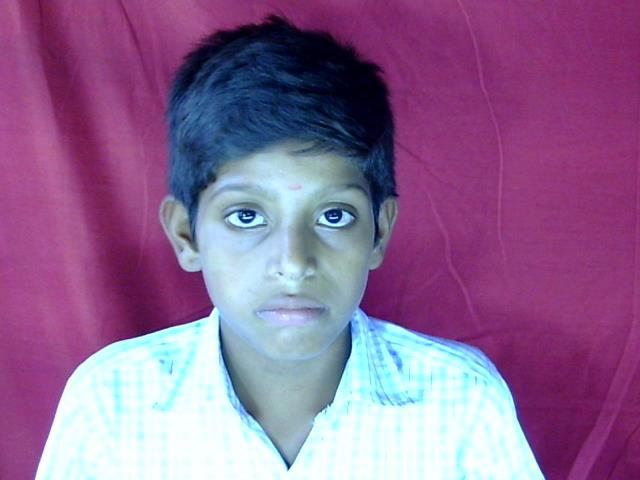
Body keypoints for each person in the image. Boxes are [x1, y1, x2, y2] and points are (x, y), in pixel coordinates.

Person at [36, 16, 544, 479]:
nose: (294, 264)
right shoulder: (111, 405)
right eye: (247, 217)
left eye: (333, 216)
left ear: (379, 232)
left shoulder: (460, 404)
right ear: (186, 235)